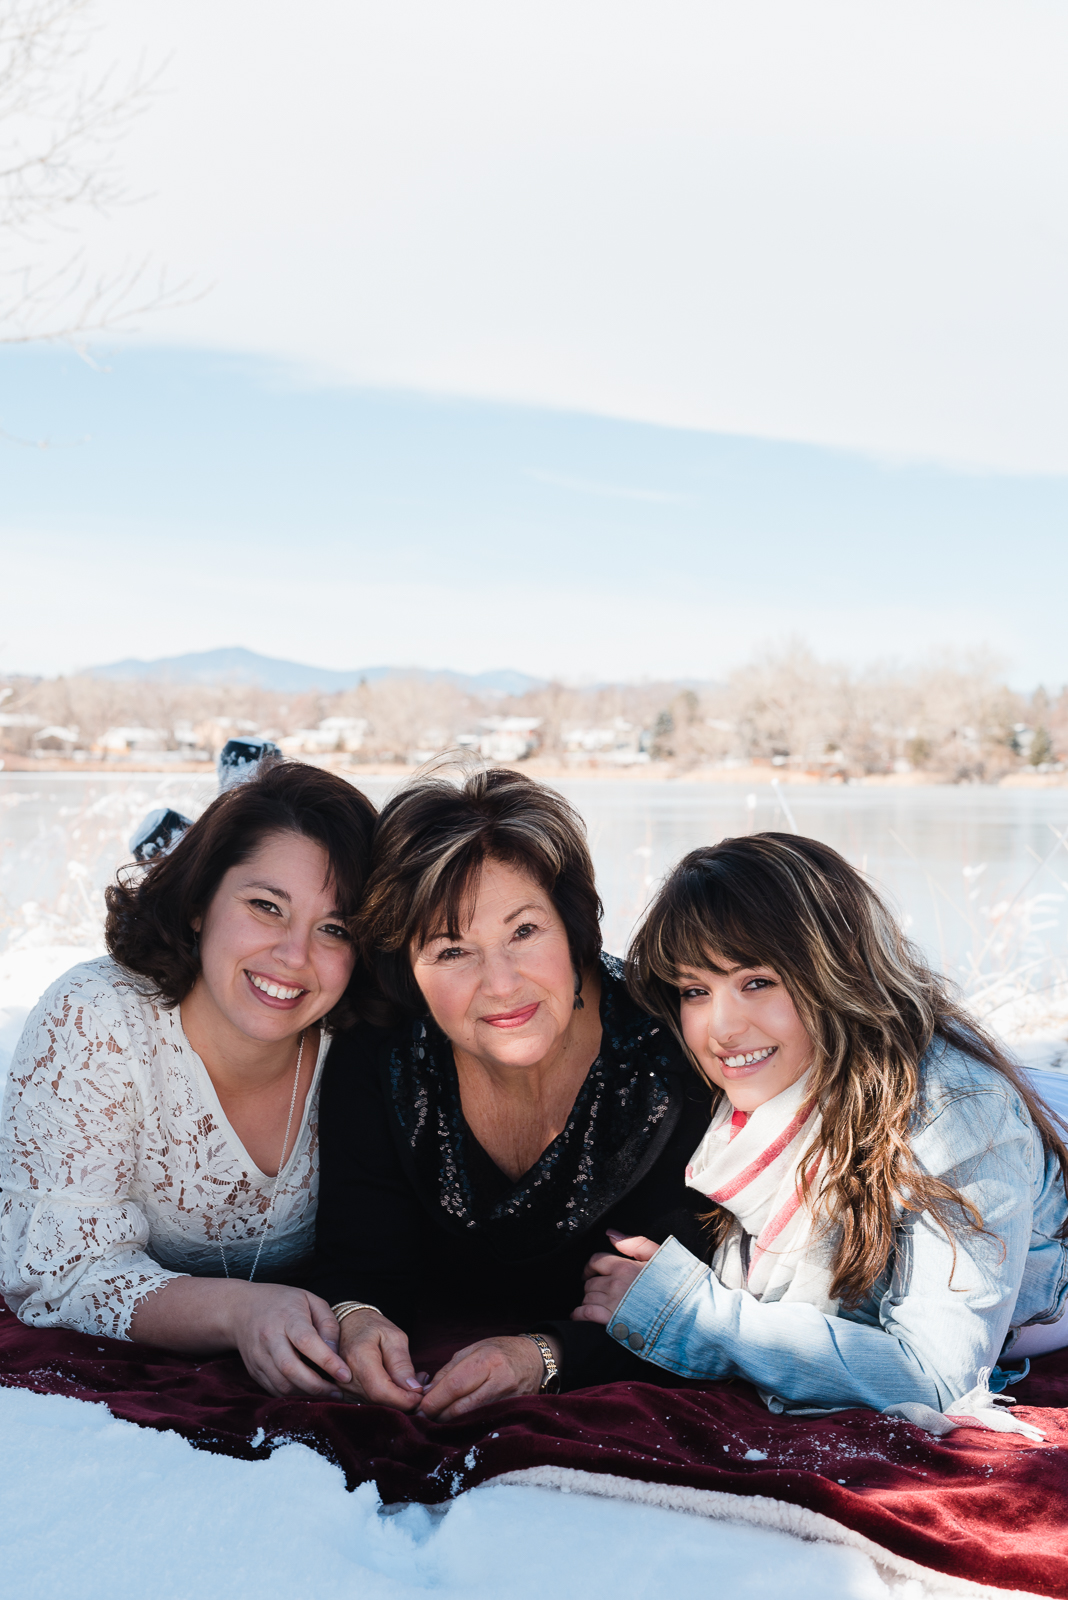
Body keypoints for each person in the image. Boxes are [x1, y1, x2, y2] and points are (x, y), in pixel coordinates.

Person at [575, 833, 1068, 1421]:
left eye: (757, 981)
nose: (722, 1027)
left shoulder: (959, 1114)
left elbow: (939, 1378)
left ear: (834, 972)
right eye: (696, 991)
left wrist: (696, 1318)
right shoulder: (745, 1093)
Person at [308, 766, 711, 1420]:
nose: (500, 982)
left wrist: (545, 1357)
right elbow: (360, 1264)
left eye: (524, 932)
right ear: (406, 970)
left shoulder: (671, 1055)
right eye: (450, 950)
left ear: (573, 928)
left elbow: (682, 1296)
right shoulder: (381, 1058)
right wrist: (358, 1321)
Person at [0, 759, 377, 1400]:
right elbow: (59, 1273)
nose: (294, 955)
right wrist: (238, 1312)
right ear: (200, 901)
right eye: (266, 906)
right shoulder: (100, 1017)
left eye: (333, 929)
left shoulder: (363, 1040)